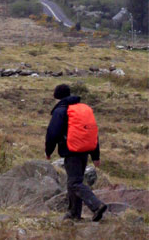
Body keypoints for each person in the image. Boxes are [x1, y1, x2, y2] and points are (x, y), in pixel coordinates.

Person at [45, 83, 107, 222]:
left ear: (57, 97)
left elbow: (52, 133)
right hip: (84, 149)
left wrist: (48, 151)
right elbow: (92, 131)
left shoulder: (61, 111)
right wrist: (96, 156)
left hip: (71, 150)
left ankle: (96, 205)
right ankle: (74, 213)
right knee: (73, 181)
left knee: (74, 183)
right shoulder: (82, 109)